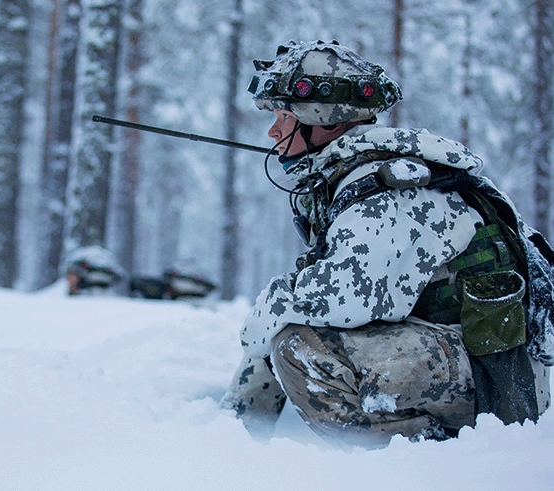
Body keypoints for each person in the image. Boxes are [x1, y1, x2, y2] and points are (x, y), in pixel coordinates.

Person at [220, 40, 554, 448]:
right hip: (470, 354)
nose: (272, 131)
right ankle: (233, 436)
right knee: (289, 319)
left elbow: (346, 300)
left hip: (499, 377)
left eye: (284, 116)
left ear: (324, 120)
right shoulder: (363, 173)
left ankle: (405, 459)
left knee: (300, 345)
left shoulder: (384, 188)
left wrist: (267, 311)